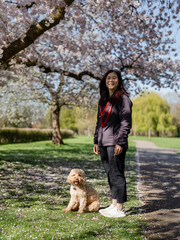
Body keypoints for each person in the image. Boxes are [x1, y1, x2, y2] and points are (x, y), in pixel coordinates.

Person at [93, 69, 132, 218]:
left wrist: (120, 142)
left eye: (114, 78)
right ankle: (114, 203)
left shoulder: (123, 99)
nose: (111, 80)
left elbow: (126, 122)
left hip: (115, 142)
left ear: (119, 80)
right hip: (103, 142)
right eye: (108, 78)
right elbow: (99, 122)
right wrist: (96, 140)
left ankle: (120, 208)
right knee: (110, 174)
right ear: (104, 80)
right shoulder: (103, 100)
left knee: (117, 174)